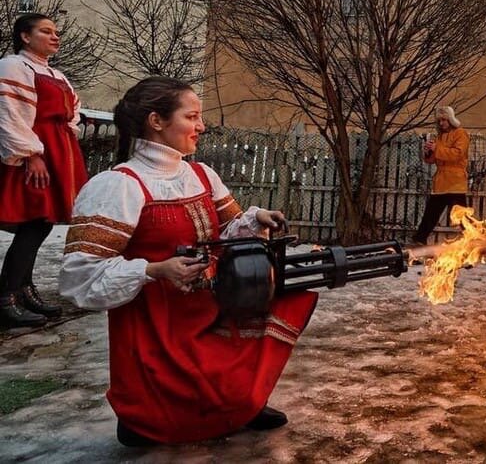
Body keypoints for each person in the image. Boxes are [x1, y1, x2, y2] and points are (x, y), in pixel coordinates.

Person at [58, 76, 317, 446]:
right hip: (155, 323)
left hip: (208, 303)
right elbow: (78, 276)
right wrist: (152, 270)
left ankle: (239, 403)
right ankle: (145, 416)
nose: (201, 126)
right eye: (192, 116)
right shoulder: (119, 185)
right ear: (157, 121)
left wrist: (253, 220)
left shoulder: (200, 174)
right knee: (158, 416)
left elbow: (225, 232)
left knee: (287, 295)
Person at [0, 12, 88, 327]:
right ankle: (7, 296)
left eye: (56, 32)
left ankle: (24, 289)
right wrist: (31, 154)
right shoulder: (13, 66)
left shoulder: (57, 74)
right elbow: (10, 113)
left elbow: (72, 112)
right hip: (35, 150)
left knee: (43, 222)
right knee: (35, 221)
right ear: (25, 36)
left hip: (58, 150)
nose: (55, 37)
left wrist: (64, 141)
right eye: (46, 31)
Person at [410, 105, 470, 246]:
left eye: (444, 120)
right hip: (442, 181)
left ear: (451, 119)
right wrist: (429, 152)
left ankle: (473, 239)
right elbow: (431, 160)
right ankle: (420, 239)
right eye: (439, 120)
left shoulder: (461, 134)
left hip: (455, 181)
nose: (442, 123)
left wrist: (437, 149)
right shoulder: (439, 137)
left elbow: (457, 154)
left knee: (461, 216)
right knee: (431, 213)